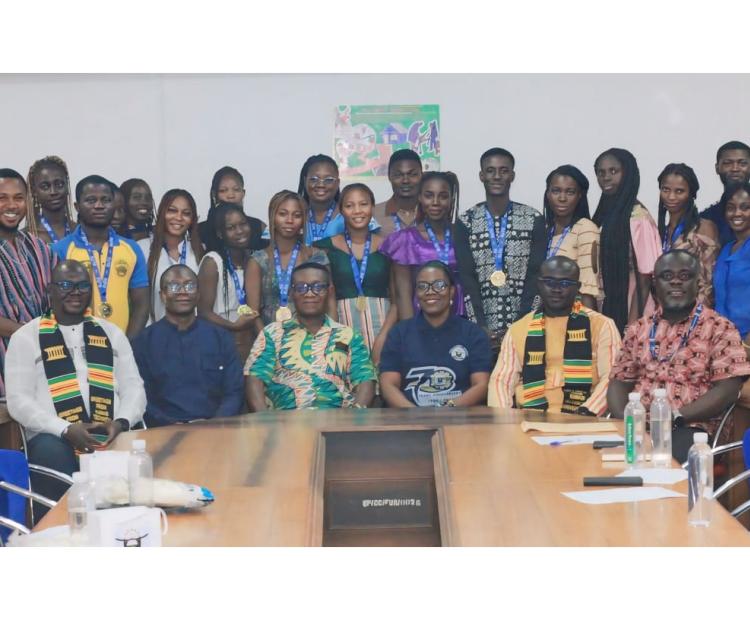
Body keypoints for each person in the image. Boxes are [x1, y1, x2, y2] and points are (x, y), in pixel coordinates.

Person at [5, 260, 145, 512]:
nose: (75, 292)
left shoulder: (111, 333)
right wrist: (65, 429)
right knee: (51, 451)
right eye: (66, 285)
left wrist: (120, 422)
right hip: (53, 436)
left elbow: (134, 388)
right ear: (50, 290)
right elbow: (19, 402)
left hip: (111, 429)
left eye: (82, 286)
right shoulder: (25, 337)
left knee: (140, 448)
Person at [608, 250, 750, 459]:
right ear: (656, 285)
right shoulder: (638, 328)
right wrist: (626, 421)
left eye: (684, 276)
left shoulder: (720, 327)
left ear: (698, 283)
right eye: (667, 276)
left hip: (692, 427)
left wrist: (676, 417)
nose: (675, 282)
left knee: (658, 461)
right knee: (595, 456)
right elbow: (619, 382)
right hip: (637, 425)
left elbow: (727, 389)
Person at [488, 256, 621, 415]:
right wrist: (505, 420)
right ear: (539, 284)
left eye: (565, 283)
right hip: (528, 421)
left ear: (577, 287)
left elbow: (612, 378)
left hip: (585, 420)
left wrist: (588, 413)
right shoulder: (518, 329)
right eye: (549, 282)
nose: (556, 289)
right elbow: (501, 381)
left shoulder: (602, 325)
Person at [245, 262, 376, 411]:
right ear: (291, 293)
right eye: (301, 288)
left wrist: (354, 418)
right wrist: (264, 422)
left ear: (329, 291)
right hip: (284, 425)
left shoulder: (349, 336)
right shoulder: (272, 334)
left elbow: (365, 380)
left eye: (318, 287)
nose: (309, 293)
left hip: (338, 423)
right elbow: (255, 379)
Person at [454, 147, 546, 354]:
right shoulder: (466, 221)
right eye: (490, 170)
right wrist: (479, 326)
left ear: (512, 175)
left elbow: (536, 276)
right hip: (480, 329)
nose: (497, 176)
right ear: (481, 175)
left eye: (504, 171)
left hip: (526, 327)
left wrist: (521, 325)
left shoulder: (533, 219)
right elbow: (467, 278)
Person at [132, 265, 244, 427]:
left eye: (190, 286)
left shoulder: (220, 337)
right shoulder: (144, 342)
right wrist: (171, 425)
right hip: (164, 433)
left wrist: (214, 424)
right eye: (174, 286)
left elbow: (234, 391)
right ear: (162, 295)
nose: (183, 292)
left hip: (217, 430)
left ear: (198, 294)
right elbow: (141, 397)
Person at [379, 261, 491, 408]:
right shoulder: (399, 333)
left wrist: (448, 408)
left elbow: (481, 385)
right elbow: (388, 385)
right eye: (422, 286)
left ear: (452, 291)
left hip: (460, 419)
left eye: (439, 285)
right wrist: (414, 415)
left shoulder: (472, 334)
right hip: (410, 419)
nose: (430, 291)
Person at [53, 174, 150, 338]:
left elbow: (141, 304)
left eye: (105, 200)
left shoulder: (131, 249)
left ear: (114, 204)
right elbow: (55, 304)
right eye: (91, 200)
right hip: (76, 346)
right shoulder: (61, 249)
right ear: (77, 206)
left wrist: (126, 345)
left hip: (122, 345)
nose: (99, 205)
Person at [314, 183, 396, 360]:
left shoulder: (389, 246)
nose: (357, 211)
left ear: (373, 207)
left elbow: (398, 301)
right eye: (349, 206)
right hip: (340, 328)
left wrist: (383, 339)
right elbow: (327, 297)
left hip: (383, 329)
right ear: (341, 211)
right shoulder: (325, 247)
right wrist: (337, 338)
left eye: (363, 204)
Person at [0, 168, 56, 398]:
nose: (12, 205)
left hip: (44, 370)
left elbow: (58, 299)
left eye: (18, 198)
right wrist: (29, 333)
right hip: (4, 373)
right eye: (2, 198)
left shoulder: (39, 247)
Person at [593, 147, 661, 334]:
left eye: (613, 171)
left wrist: (631, 326)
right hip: (607, 305)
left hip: (634, 310)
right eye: (601, 172)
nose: (606, 177)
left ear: (628, 173)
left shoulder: (638, 217)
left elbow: (645, 277)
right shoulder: (603, 217)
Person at [380, 171, 465, 319]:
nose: (436, 202)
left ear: (451, 199)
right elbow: (403, 295)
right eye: (429, 195)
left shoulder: (464, 235)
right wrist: (412, 335)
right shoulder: (405, 240)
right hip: (420, 319)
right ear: (419, 197)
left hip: (460, 316)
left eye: (443, 196)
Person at [246, 190, 333, 330]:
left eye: (297, 215)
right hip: (270, 341)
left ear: (303, 220)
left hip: (313, 339)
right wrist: (269, 343)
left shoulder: (316, 257)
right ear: (272, 217)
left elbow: (330, 304)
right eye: (283, 214)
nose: (290, 220)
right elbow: (253, 313)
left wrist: (328, 341)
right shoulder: (258, 260)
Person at [197, 202, 259, 361]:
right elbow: (203, 312)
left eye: (243, 224)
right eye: (231, 228)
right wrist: (234, 326)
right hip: (220, 346)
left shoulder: (254, 259)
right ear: (220, 233)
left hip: (250, 345)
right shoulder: (213, 262)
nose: (239, 231)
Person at [656, 163, 718, 306]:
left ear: (691, 194)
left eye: (679, 191)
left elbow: (708, 283)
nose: (671, 196)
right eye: (666, 189)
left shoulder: (704, 228)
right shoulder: (659, 231)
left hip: (694, 313)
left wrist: (697, 319)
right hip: (663, 310)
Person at [542, 164, 601, 309]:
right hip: (543, 313)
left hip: (574, 315)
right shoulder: (544, 229)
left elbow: (588, 288)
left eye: (570, 192)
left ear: (579, 196)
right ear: (548, 194)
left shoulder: (586, 229)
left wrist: (588, 328)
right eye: (556, 191)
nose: (562, 198)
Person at [140, 189, 204, 322]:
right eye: (172, 210)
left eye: (186, 213)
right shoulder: (142, 248)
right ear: (161, 213)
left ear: (192, 220)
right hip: (157, 333)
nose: (179, 218)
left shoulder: (200, 250)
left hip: (195, 334)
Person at [298, 154, 379, 245]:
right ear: (305, 181)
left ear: (337, 183)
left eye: (328, 180)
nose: (321, 185)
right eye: (314, 179)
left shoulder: (353, 214)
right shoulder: (295, 216)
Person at [198, 166, 268, 254]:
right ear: (214, 194)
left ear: (243, 193)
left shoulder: (261, 226)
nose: (231, 195)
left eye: (236, 190)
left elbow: (272, 253)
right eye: (223, 190)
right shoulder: (199, 230)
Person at [714, 182, 750, 339]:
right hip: (724, 342)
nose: (737, 213)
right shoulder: (726, 249)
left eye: (745, 207)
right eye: (730, 208)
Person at [700, 140, 750, 247]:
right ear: (717, 168)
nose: (735, 168)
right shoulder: (706, 218)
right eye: (728, 163)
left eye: (742, 163)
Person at [371, 149, 423, 237]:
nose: (405, 180)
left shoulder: (432, 213)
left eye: (412, 174)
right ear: (389, 176)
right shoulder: (373, 215)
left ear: (421, 175)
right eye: (398, 175)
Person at [26, 155, 75, 245]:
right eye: (45, 186)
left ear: (67, 186)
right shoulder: (26, 237)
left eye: (59, 184)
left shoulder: (82, 232)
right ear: (34, 191)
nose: (53, 192)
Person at [119, 178, 155, 242]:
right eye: (137, 197)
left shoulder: (158, 235)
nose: (144, 202)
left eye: (148, 197)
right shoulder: (114, 237)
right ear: (124, 201)